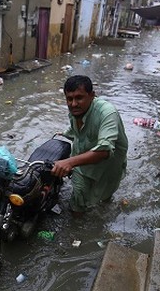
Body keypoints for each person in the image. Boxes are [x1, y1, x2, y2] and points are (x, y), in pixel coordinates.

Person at [51, 75, 128, 215]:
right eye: (69, 99)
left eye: (79, 98)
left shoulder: (107, 113)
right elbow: (78, 131)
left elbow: (104, 151)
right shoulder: (75, 111)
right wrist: (64, 133)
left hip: (109, 164)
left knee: (105, 196)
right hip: (83, 162)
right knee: (77, 203)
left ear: (92, 95)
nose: (73, 104)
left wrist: (69, 161)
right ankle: (76, 228)